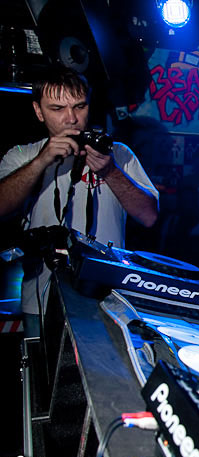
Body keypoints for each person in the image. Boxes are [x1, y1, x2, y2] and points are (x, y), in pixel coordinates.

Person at [0, 65, 158, 337]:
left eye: (79, 106)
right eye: (57, 108)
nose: (71, 118)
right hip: (41, 298)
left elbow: (149, 216)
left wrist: (110, 172)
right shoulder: (22, 156)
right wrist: (41, 162)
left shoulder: (119, 154)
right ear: (39, 111)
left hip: (108, 300)